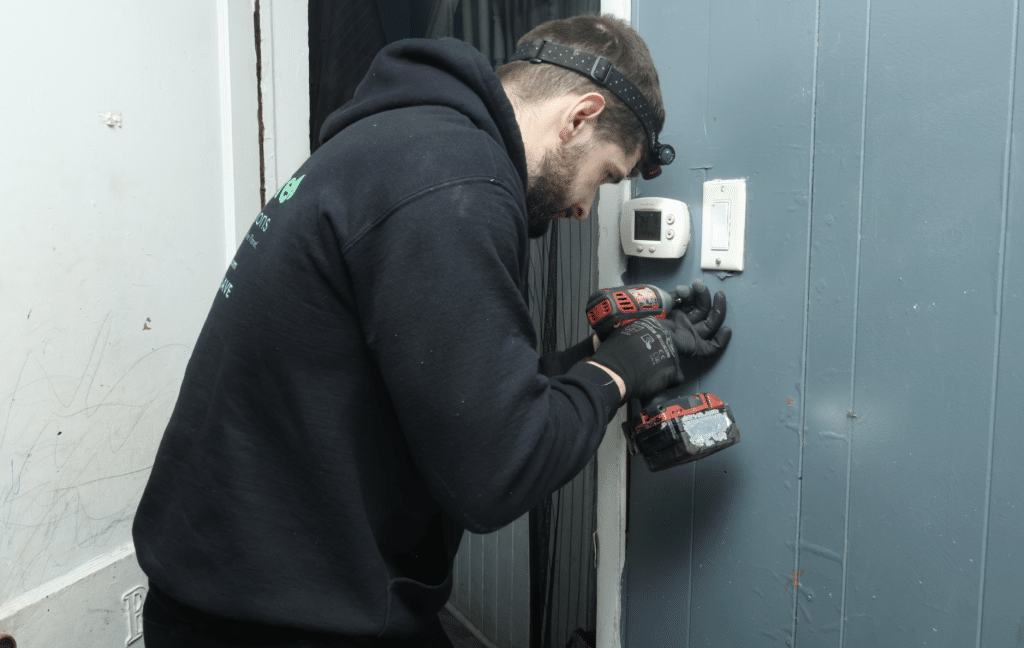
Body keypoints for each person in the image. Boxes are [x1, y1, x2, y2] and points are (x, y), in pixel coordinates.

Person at [132, 13, 730, 648]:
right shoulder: (452, 182)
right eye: (606, 175)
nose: (586, 208)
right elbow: (499, 473)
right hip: (270, 616)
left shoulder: (407, 145)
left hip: (247, 576)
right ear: (579, 116)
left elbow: (460, 394)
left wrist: (600, 354)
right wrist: (621, 370)